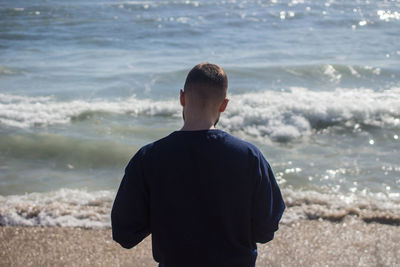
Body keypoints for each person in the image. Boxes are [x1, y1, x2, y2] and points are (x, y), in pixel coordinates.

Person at [111, 63, 285, 267]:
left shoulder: (149, 158)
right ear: (224, 105)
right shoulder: (249, 157)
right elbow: (266, 230)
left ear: (182, 98)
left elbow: (125, 234)